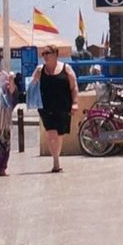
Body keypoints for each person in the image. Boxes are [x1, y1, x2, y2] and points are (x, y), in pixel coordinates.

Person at [29, 43, 78, 172]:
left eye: (47, 53)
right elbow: (31, 85)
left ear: (55, 54)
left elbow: (74, 87)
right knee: (51, 134)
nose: (45, 56)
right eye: (43, 54)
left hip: (63, 105)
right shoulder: (40, 69)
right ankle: (56, 161)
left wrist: (75, 103)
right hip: (46, 106)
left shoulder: (66, 69)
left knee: (59, 134)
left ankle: (56, 157)